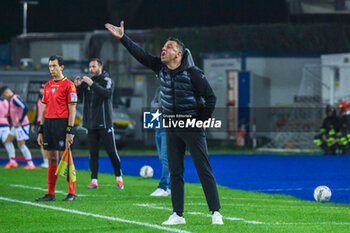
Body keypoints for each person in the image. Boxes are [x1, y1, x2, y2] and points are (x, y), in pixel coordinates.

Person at [106, 21, 223, 225]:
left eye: (168, 47)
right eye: (164, 47)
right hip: (171, 126)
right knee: (175, 172)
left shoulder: (194, 73)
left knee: (204, 170)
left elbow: (211, 98)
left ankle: (216, 212)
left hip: (192, 127)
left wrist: (202, 121)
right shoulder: (160, 67)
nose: (163, 49)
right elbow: (141, 54)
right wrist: (123, 38)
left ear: (178, 53)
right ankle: (178, 214)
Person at [74, 58, 124, 190]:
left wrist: (92, 84)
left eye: (94, 67)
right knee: (93, 153)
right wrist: (77, 87)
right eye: (90, 67)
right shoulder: (87, 82)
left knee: (111, 152)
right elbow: (77, 98)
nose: (91, 69)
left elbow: (106, 94)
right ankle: (94, 181)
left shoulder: (107, 80)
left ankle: (119, 178)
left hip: (105, 123)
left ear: (100, 68)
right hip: (91, 124)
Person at [35, 55, 77, 202]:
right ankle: (50, 194)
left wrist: (69, 131)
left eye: (54, 66)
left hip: (62, 124)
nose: (52, 69)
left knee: (67, 158)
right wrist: (41, 129)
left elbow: (72, 110)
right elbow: (44, 110)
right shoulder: (47, 85)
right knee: (52, 158)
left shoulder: (69, 85)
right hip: (48, 125)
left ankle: (72, 193)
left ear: (61, 67)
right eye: (50, 66)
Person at [0, 87, 35, 169]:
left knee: (21, 145)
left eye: (4, 95)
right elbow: (17, 110)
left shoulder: (15, 98)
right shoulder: (12, 99)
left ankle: (31, 164)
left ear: (6, 93)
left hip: (21, 126)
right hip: (16, 126)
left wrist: (21, 120)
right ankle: (13, 162)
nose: (5, 97)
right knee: (7, 140)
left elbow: (25, 107)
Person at [150, 87, 170, 196]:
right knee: (162, 158)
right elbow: (153, 104)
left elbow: (162, 105)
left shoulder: (170, 86)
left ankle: (163, 187)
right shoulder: (159, 88)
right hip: (158, 126)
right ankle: (170, 187)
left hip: (167, 128)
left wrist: (156, 105)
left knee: (165, 158)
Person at [31, 83, 49, 168]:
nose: (42, 90)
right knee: (41, 142)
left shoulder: (49, 98)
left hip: (46, 122)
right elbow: (38, 113)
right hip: (39, 122)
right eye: (41, 88)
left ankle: (49, 161)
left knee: (46, 142)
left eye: (43, 88)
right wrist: (34, 124)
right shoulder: (39, 99)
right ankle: (46, 161)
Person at [0, 92, 17, 169]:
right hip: (5, 124)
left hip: (3, 124)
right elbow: (9, 113)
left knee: (8, 143)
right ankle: (13, 162)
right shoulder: (6, 101)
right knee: (8, 143)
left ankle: (13, 162)